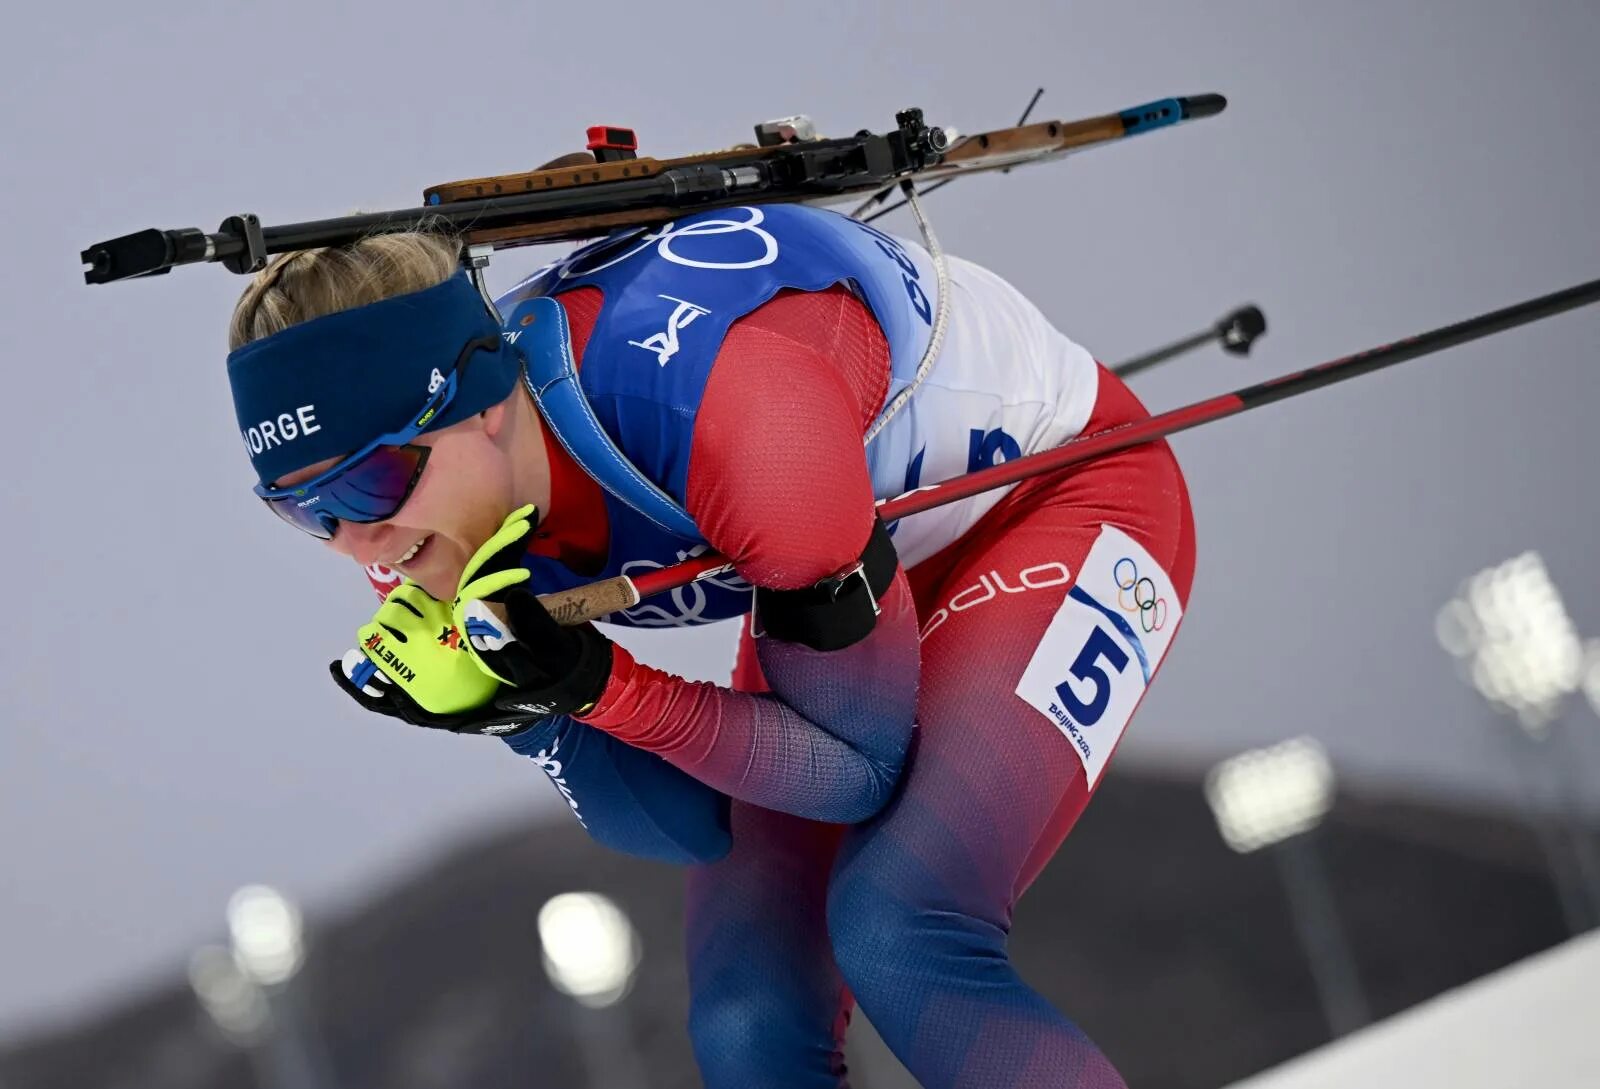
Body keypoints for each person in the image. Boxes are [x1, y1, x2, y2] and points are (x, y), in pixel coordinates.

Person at [225, 194, 1195, 1088]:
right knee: (747, 1015)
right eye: (306, 512)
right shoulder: (439, 525)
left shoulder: (725, 413)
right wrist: (528, 712)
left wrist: (600, 686)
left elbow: (858, 769)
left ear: (480, 404)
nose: (364, 547)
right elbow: (695, 825)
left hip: (1054, 500)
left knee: (903, 925)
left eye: (371, 485)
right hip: (839, 557)